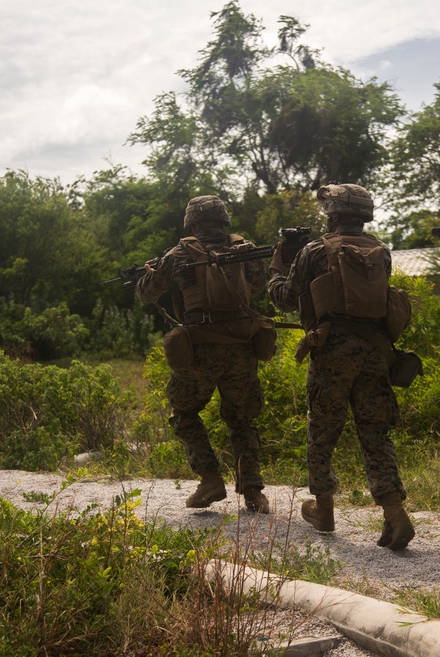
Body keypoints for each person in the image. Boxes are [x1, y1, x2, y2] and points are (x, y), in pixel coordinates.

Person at [268, 183, 415, 551]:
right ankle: (394, 514)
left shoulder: (315, 250)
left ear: (333, 213)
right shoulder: (381, 252)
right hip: (375, 352)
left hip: (331, 350)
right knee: (375, 433)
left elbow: (286, 298)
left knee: (322, 431)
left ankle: (324, 508)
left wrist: (277, 267)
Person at [136, 195, 270, 514]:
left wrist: (149, 272)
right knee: (242, 419)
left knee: (183, 413)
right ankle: (252, 491)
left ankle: (210, 479)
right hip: (241, 348)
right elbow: (262, 285)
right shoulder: (246, 249)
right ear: (223, 220)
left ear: (192, 223)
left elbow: (146, 292)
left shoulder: (180, 253)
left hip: (199, 350)